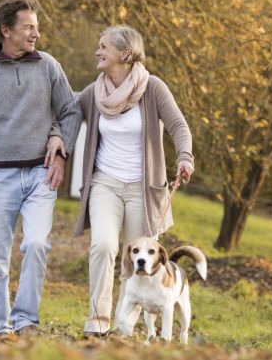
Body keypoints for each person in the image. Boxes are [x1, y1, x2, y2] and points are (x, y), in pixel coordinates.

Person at [0, 0, 82, 337]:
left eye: (36, 26)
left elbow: (71, 111)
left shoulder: (50, 66)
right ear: (5, 30)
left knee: (37, 244)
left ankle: (26, 322)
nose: (35, 33)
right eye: (28, 27)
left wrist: (62, 148)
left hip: (41, 174)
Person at [72, 25, 194, 336]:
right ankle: (97, 323)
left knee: (137, 257)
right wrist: (58, 140)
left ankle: (123, 324)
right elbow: (68, 113)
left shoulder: (152, 88)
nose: (98, 52)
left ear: (124, 54)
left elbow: (179, 125)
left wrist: (184, 156)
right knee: (102, 246)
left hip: (143, 187)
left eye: (104, 47)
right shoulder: (94, 92)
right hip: (105, 183)